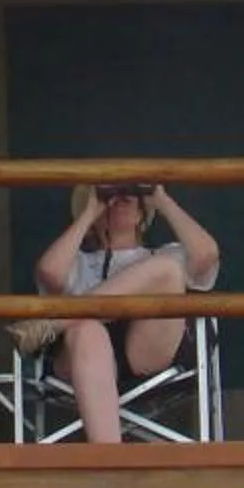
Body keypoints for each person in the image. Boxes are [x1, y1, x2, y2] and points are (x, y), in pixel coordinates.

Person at [26, 180, 219, 443]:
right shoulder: (77, 262)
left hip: (146, 351)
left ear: (143, 212)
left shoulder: (163, 254)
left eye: (130, 195)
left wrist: (161, 200)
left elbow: (207, 255)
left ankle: (56, 323)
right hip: (83, 355)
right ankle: (111, 461)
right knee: (87, 329)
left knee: (166, 269)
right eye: (110, 196)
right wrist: (89, 213)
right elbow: (49, 273)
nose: (120, 199)